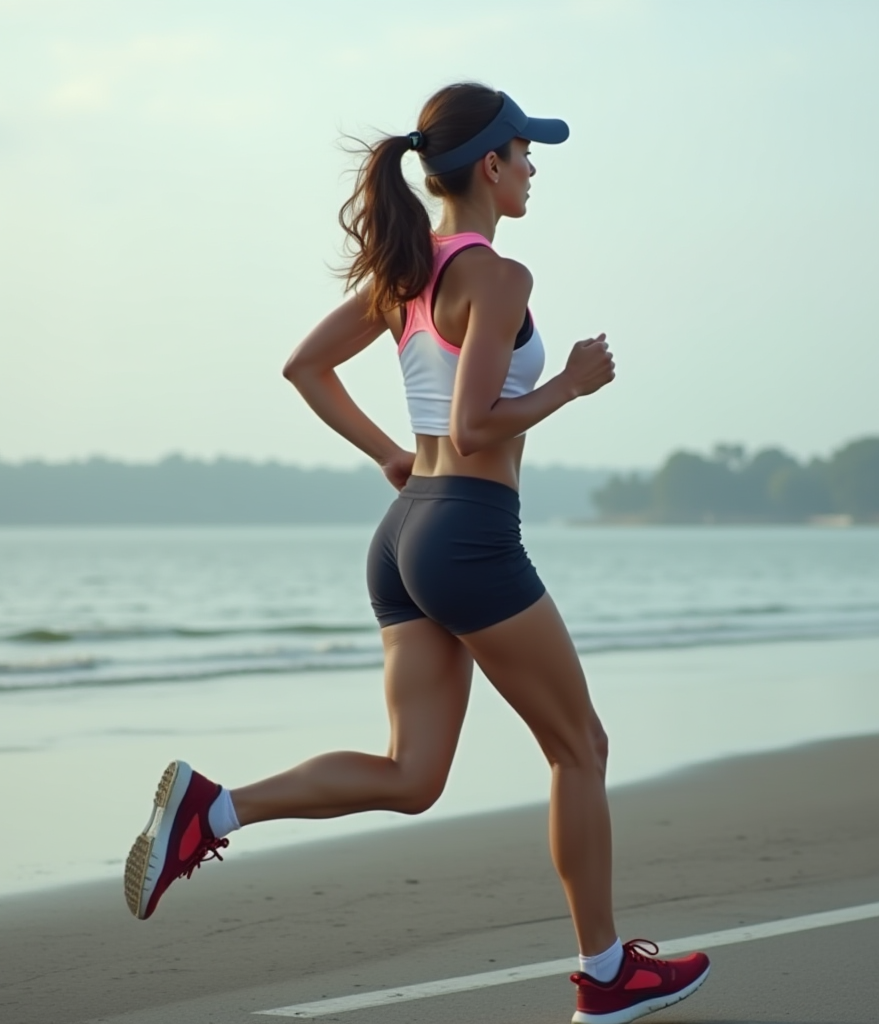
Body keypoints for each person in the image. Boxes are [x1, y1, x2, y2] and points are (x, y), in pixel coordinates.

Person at [123, 83, 710, 1024]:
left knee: (413, 776)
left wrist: (393, 455)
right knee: (579, 748)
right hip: (470, 532)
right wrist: (570, 384)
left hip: (404, 539)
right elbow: (478, 427)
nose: (533, 167)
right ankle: (607, 977)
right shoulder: (497, 275)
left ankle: (212, 811)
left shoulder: (402, 274)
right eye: (525, 151)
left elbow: (304, 368)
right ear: (489, 164)